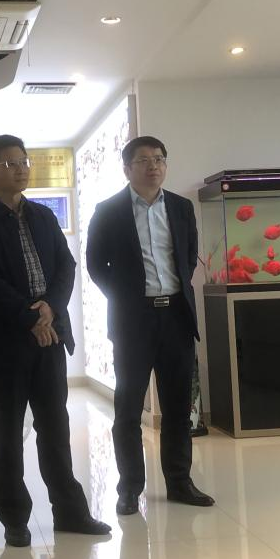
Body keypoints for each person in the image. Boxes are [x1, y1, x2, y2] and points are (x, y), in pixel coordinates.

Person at [0, 135, 111, 547]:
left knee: (55, 426)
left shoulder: (43, 215)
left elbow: (66, 265)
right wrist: (30, 316)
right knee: (8, 432)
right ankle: (14, 518)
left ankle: (71, 512)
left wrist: (51, 308)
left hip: (50, 335)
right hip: (7, 341)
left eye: (23, 161)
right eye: (10, 163)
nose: (21, 169)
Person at [86, 136, 214, 515]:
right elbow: (96, 264)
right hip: (134, 321)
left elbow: (187, 257)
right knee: (128, 409)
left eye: (159, 159)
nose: (153, 166)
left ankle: (180, 482)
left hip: (176, 317)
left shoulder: (180, 207)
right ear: (128, 169)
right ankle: (129, 488)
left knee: (178, 407)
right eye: (143, 160)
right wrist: (126, 297)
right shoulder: (108, 211)